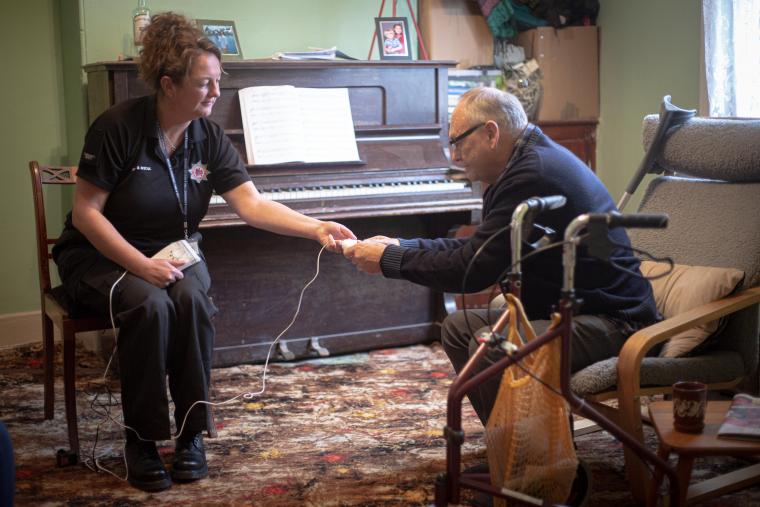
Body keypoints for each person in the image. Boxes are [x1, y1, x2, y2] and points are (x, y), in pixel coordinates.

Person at [52, 12, 355, 492]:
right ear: (168, 85)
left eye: (219, 81)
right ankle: (143, 439)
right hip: (102, 253)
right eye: (205, 84)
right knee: (149, 305)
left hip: (172, 254)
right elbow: (88, 213)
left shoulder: (207, 135)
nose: (216, 93)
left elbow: (251, 204)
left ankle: (192, 432)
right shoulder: (116, 128)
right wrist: (140, 265)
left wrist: (315, 227)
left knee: (192, 301)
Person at [343, 87, 659, 426]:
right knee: (457, 328)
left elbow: (473, 269)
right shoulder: (520, 164)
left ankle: (530, 465)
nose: (456, 157)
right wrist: (399, 246)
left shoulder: (533, 173)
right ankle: (511, 447)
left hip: (616, 323)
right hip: (572, 314)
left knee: (493, 346)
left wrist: (389, 260)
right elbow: (477, 249)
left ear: (491, 133)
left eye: (459, 142)